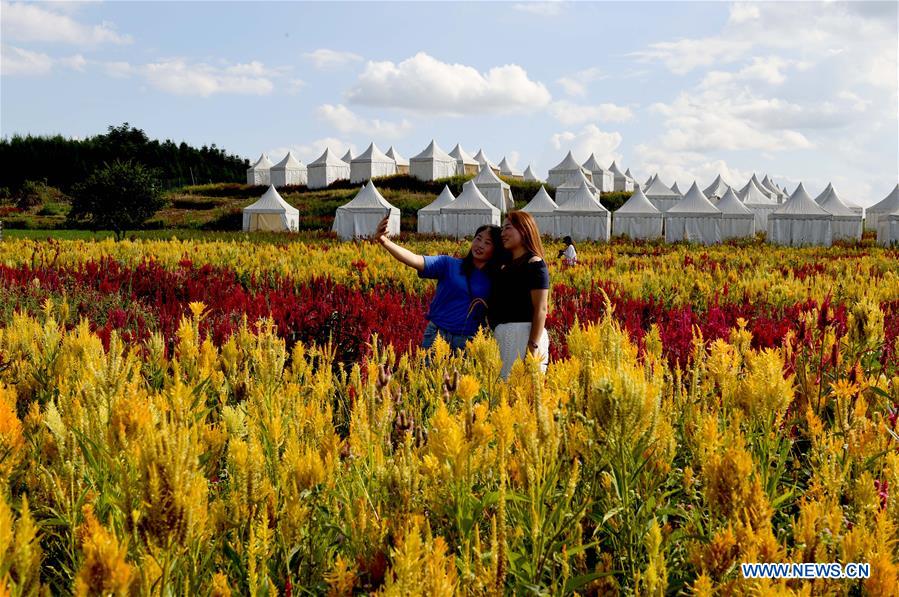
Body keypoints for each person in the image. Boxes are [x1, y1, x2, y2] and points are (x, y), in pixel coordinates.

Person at [373, 215, 504, 351]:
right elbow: (414, 259)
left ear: (496, 249)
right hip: (437, 336)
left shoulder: (496, 277)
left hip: (468, 340)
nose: (480, 245)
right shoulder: (449, 264)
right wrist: (384, 241)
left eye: (488, 243)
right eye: (478, 239)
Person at [488, 211, 550, 379]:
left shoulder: (534, 263)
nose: (503, 233)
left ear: (524, 229)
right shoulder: (505, 265)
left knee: (522, 394)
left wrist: (532, 347)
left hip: (524, 338)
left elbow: (541, 309)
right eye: (501, 229)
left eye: (507, 228)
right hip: (502, 338)